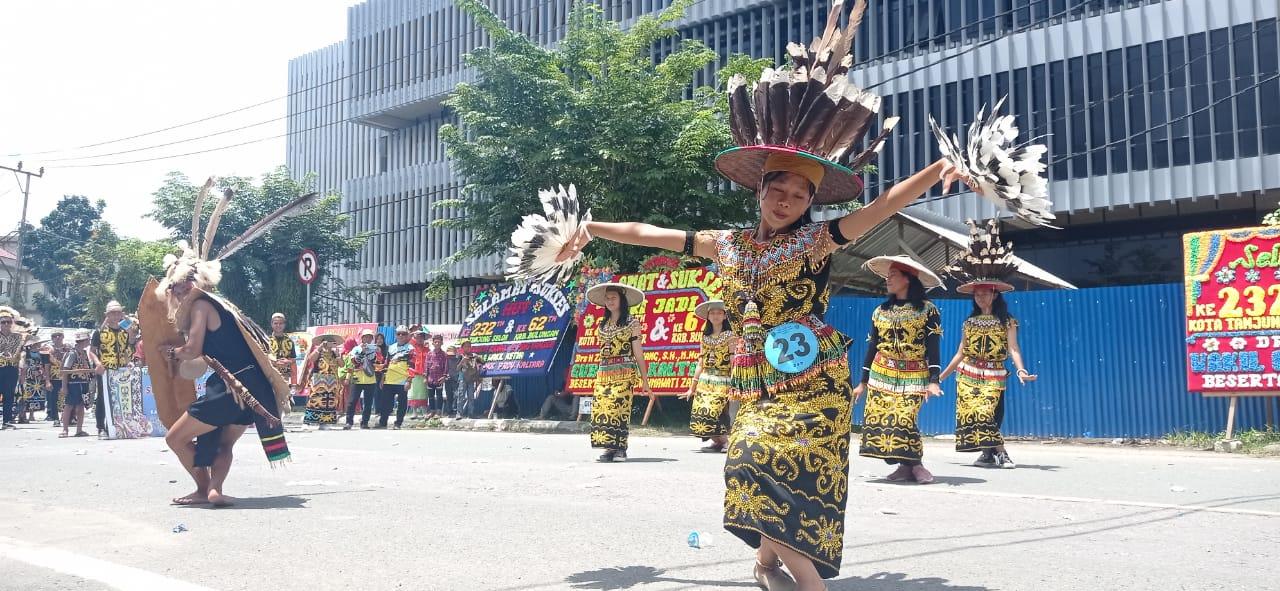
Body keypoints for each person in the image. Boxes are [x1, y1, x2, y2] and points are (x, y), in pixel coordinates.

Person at [530, 3, 985, 579]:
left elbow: (883, 205)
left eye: (799, 194)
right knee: (749, 464)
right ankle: (767, 561)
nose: (787, 201)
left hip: (812, 378)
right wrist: (588, 228)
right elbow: (649, 232)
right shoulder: (726, 243)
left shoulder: (820, 239)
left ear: (811, 201)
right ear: (761, 190)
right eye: (779, 189)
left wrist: (939, 168)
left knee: (782, 471)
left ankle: (800, 578)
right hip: (754, 378)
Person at [150, 181, 307, 506]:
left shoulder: (201, 307)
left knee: (175, 438)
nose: (177, 292)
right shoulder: (219, 305)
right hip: (252, 388)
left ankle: (202, 488)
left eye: (179, 287)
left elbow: (193, 351)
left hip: (231, 389)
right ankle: (214, 490)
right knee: (224, 444)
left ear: (191, 284)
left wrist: (171, 352)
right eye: (174, 289)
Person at [940, 220, 1038, 469]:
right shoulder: (969, 322)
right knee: (976, 415)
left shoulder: (1007, 321)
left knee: (988, 413)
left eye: (984, 292)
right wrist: (939, 377)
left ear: (995, 294)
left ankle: (998, 453)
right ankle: (990, 454)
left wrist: (1021, 370)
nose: (979, 296)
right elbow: (960, 353)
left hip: (995, 374)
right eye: (976, 293)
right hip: (968, 375)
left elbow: (1013, 348)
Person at [855, 256, 946, 486]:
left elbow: (933, 346)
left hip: (914, 374)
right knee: (882, 422)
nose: (888, 279)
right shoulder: (879, 311)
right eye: (887, 276)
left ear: (908, 279)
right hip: (881, 373)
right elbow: (872, 345)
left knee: (904, 419)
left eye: (893, 275)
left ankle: (916, 465)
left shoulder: (928, 310)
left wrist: (934, 380)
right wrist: (862, 382)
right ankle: (906, 467)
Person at [582, 283, 651, 462]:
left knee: (618, 409)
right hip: (604, 373)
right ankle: (608, 448)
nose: (610, 301)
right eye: (607, 298)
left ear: (622, 300)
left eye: (614, 298)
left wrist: (645, 380)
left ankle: (620, 449)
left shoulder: (632, 323)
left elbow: (638, 352)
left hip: (624, 371)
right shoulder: (602, 325)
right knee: (601, 409)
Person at [679, 300, 737, 453]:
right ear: (708, 316)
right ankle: (717, 441)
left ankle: (726, 441)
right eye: (712, 313)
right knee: (700, 414)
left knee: (715, 411)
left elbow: (733, 362)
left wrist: (734, 384)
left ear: (724, 316)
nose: (715, 316)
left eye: (719, 313)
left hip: (723, 380)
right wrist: (692, 388)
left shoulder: (730, 336)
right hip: (705, 381)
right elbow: (700, 363)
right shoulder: (704, 337)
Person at [93, 300, 139, 437]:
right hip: (105, 369)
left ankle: (116, 426)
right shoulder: (100, 331)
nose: (115, 316)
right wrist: (97, 363)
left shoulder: (124, 331)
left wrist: (129, 362)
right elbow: (92, 351)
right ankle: (101, 427)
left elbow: (130, 343)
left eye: (118, 313)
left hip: (120, 369)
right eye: (112, 313)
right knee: (102, 398)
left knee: (118, 398)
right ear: (107, 315)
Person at [59, 331, 98, 438]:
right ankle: (65, 429)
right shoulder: (72, 353)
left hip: (83, 383)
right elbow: (65, 371)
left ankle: (79, 429)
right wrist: (64, 386)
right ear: (84, 340)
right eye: (88, 340)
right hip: (73, 384)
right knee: (69, 406)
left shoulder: (84, 353)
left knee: (81, 406)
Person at [300, 334, 343, 429]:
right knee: (314, 401)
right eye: (327, 341)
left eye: (331, 342)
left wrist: (337, 355)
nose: (329, 343)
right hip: (318, 381)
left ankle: (324, 422)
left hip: (331, 382)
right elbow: (311, 359)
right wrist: (319, 348)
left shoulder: (335, 353)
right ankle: (307, 422)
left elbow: (341, 365)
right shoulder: (319, 352)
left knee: (328, 402)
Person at [344, 329, 383, 430]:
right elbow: (354, 362)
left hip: (370, 378)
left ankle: (365, 422)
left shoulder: (374, 349)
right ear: (362, 338)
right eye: (366, 337)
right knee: (352, 401)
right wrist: (362, 351)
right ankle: (349, 422)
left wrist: (379, 353)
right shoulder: (356, 349)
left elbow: (379, 363)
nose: (368, 339)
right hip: (357, 378)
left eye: (370, 337)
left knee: (368, 403)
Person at [379, 326, 413, 429]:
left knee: (402, 404)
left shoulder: (411, 349)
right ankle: (382, 423)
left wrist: (409, 380)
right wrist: (382, 378)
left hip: (402, 380)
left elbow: (412, 366)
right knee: (385, 403)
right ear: (395, 335)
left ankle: (398, 423)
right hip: (389, 379)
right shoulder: (391, 347)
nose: (401, 336)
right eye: (398, 334)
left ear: (407, 336)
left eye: (403, 334)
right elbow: (386, 363)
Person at [0, 307, 26, 429]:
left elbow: (22, 352)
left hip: (11, 368)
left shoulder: (18, 337)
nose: (6, 324)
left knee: (9, 395)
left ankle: (7, 420)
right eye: (3, 322)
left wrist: (22, 366)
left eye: (8, 322)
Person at [17, 337, 49, 424]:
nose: (39, 345)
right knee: (24, 396)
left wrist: (41, 372)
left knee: (35, 396)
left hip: (38, 377)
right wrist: (23, 376)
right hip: (27, 377)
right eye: (37, 343)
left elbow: (42, 365)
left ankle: (31, 414)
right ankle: (22, 415)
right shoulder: (25, 353)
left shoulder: (40, 354)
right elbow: (22, 365)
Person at [45, 329, 70, 425]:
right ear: (52, 338)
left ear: (63, 336)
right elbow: (46, 366)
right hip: (54, 377)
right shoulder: (47, 350)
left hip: (66, 376)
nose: (57, 337)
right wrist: (47, 381)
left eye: (59, 335)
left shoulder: (68, 348)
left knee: (68, 397)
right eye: (55, 336)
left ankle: (69, 417)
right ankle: (55, 418)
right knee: (53, 399)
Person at [268, 312, 298, 388]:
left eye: (281, 323)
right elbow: (261, 357)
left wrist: (294, 385)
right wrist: (273, 362)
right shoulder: (266, 340)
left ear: (284, 325)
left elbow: (293, 360)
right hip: (269, 377)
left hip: (285, 378)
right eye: (276, 323)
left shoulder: (289, 342)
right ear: (271, 324)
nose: (278, 325)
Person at [455, 340, 484, 419]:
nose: (467, 348)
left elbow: (483, 362)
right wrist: (462, 361)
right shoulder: (460, 356)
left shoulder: (474, 356)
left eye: (469, 346)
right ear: (462, 348)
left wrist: (478, 358)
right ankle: (459, 413)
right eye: (466, 346)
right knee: (461, 396)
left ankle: (471, 413)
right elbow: (457, 369)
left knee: (471, 397)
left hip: (471, 379)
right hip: (462, 379)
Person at [406, 328, 430, 419]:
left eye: (421, 338)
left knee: (423, 393)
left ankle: (424, 412)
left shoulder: (427, 350)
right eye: (418, 337)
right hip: (414, 374)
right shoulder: (411, 349)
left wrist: (427, 374)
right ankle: (414, 412)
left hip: (424, 374)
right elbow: (409, 362)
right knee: (414, 393)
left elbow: (429, 363)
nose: (419, 339)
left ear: (424, 339)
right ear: (415, 338)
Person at [424, 334, 449, 418]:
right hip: (430, 378)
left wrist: (444, 376)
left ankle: (438, 412)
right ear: (433, 343)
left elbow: (446, 366)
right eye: (435, 342)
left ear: (442, 343)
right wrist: (425, 377)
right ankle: (432, 411)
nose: (437, 343)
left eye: (439, 342)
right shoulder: (429, 354)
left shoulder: (444, 354)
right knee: (430, 396)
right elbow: (426, 366)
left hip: (439, 378)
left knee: (439, 396)